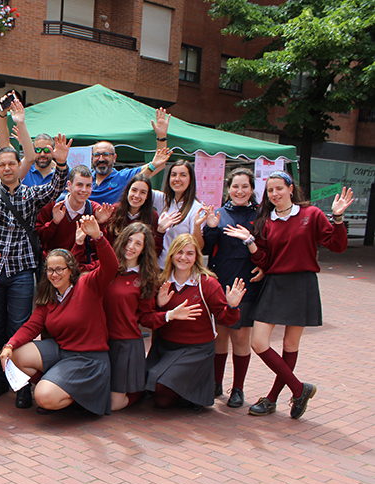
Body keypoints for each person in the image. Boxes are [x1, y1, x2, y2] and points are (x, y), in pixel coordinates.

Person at [0, 130, 71, 408]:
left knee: (19, 327)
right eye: (1, 164)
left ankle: (21, 385)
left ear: (20, 166)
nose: (7, 168)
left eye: (11, 163)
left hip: (21, 272)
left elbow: (55, 188)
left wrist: (62, 164)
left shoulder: (31, 195)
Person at [224, 172, 353, 418]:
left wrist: (337, 217)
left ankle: (272, 399)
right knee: (259, 343)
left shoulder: (311, 215)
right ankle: (298, 388)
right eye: (270, 190)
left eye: (279, 189)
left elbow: (338, 246)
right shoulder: (265, 222)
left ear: (291, 189)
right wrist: (251, 242)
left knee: (290, 345)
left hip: (302, 284)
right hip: (274, 284)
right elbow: (264, 259)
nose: (274, 194)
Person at [0, 215, 116, 414]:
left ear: (71, 270)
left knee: (43, 398)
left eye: (59, 269)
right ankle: (54, 384)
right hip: (61, 352)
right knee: (16, 355)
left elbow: (111, 267)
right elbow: (31, 326)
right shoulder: (50, 297)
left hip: (88, 359)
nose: (54, 274)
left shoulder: (88, 285)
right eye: (50, 270)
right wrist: (9, 345)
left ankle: (72, 398)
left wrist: (98, 237)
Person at [103, 222, 200, 411]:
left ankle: (137, 393)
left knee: (112, 405)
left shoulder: (146, 279)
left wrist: (169, 314)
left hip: (125, 346)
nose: (131, 247)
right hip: (99, 342)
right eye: (129, 240)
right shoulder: (106, 267)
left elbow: (146, 318)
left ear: (144, 249)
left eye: (138, 244)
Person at [146, 233, 245, 411]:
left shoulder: (207, 283)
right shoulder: (161, 281)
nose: (184, 257)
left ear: (196, 257)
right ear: (171, 255)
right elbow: (149, 320)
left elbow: (224, 319)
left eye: (190, 253)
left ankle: (193, 390)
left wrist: (232, 306)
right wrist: (162, 307)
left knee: (161, 392)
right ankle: (188, 389)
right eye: (179, 252)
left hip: (196, 350)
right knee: (146, 387)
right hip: (165, 347)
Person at [199, 168, 261, 408]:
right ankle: (216, 383)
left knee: (241, 337)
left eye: (245, 186)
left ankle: (238, 389)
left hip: (247, 283)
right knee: (220, 336)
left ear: (252, 189)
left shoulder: (260, 215)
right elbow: (206, 250)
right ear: (228, 188)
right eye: (235, 186)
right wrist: (212, 227)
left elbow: (266, 249)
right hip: (220, 282)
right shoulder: (219, 214)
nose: (240, 191)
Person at [88, 109, 171, 205]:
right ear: (92, 157)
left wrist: (161, 137)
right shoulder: (85, 177)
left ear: (114, 158)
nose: (101, 159)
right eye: (97, 155)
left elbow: (159, 164)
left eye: (106, 155)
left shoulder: (123, 177)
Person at [35, 164, 110, 263]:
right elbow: (38, 238)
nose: (84, 190)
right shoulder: (52, 205)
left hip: (79, 266)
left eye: (88, 186)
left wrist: (101, 224)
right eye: (79, 185)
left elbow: (98, 249)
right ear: (69, 185)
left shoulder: (95, 210)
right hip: (52, 267)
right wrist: (54, 223)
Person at [154, 160, 206, 268]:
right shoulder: (163, 199)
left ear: (190, 179)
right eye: (173, 175)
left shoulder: (197, 208)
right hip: (159, 267)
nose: (177, 179)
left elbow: (198, 246)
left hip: (180, 269)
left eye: (183, 175)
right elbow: (137, 184)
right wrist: (153, 165)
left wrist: (196, 226)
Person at [102, 173, 161, 253]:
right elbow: (103, 243)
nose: (137, 195)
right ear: (128, 191)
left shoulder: (153, 216)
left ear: (147, 196)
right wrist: (101, 223)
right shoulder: (113, 211)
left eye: (143, 192)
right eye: (134, 190)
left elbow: (154, 250)